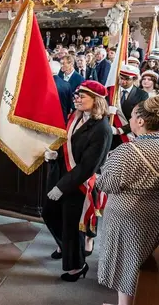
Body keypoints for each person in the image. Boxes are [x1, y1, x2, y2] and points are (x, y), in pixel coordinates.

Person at [42, 80, 112, 282]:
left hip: (80, 184)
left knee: (72, 226)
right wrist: (54, 157)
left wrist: (62, 186)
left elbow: (88, 166)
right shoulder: (75, 117)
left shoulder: (102, 129)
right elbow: (68, 146)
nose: (77, 99)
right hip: (63, 175)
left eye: (82, 96)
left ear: (96, 100)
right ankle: (67, 248)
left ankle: (77, 266)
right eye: (77, 95)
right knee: (49, 213)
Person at [97, 97, 159, 305]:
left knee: (126, 267)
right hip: (155, 214)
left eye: (132, 116)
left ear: (141, 121)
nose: (130, 120)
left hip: (128, 218)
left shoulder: (126, 151)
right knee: (148, 268)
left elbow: (106, 184)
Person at [110, 64, 149, 149]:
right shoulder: (111, 91)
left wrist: (119, 130)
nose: (122, 81)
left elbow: (140, 117)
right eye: (121, 78)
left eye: (127, 79)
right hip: (110, 133)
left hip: (127, 135)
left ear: (134, 79)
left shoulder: (142, 95)